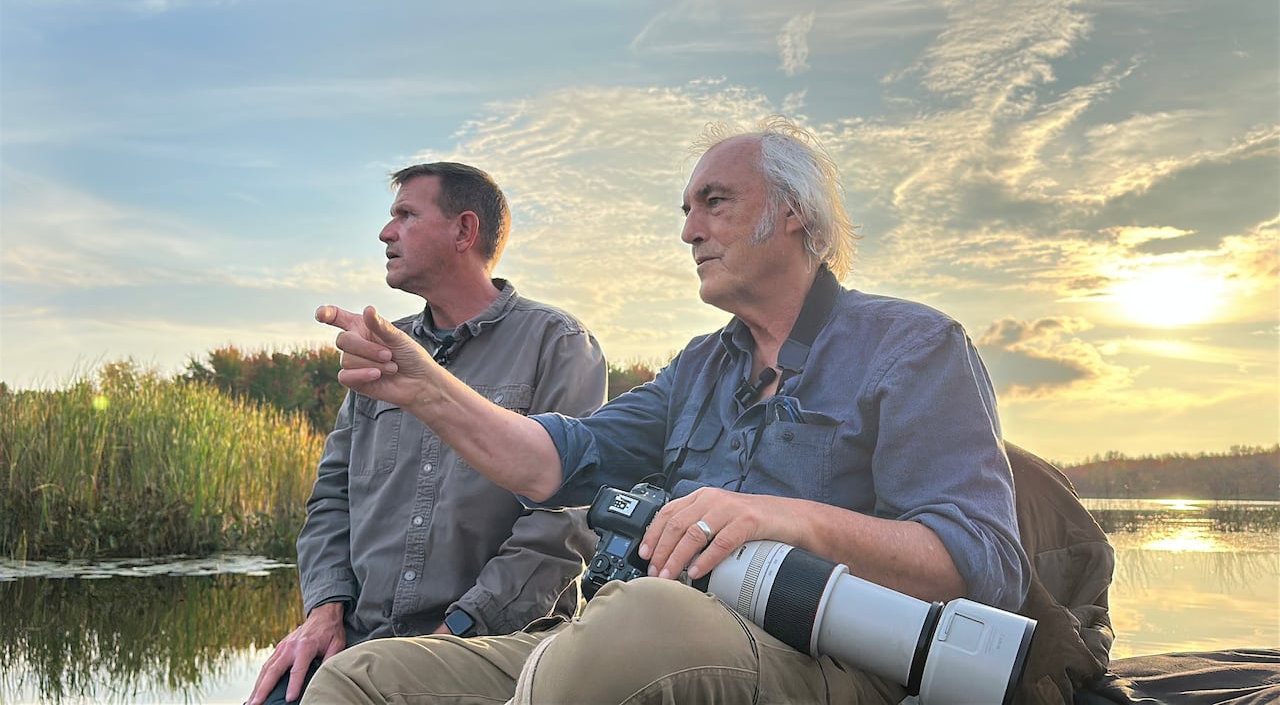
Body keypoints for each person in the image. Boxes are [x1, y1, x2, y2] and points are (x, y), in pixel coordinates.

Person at [302, 117, 1030, 704]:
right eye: (685, 210)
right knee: (359, 680)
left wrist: (782, 518)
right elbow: (553, 462)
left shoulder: (914, 345)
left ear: (793, 216)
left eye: (715, 202)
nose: (688, 231)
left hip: (829, 663)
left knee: (642, 619)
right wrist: (427, 387)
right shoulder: (697, 368)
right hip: (625, 645)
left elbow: (981, 564)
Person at [246, 162, 606, 705]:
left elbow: (561, 529)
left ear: (464, 231)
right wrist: (324, 611)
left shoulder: (557, 344)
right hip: (361, 640)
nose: (386, 233)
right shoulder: (379, 349)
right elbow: (330, 500)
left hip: (490, 645)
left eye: (406, 215)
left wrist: (454, 633)